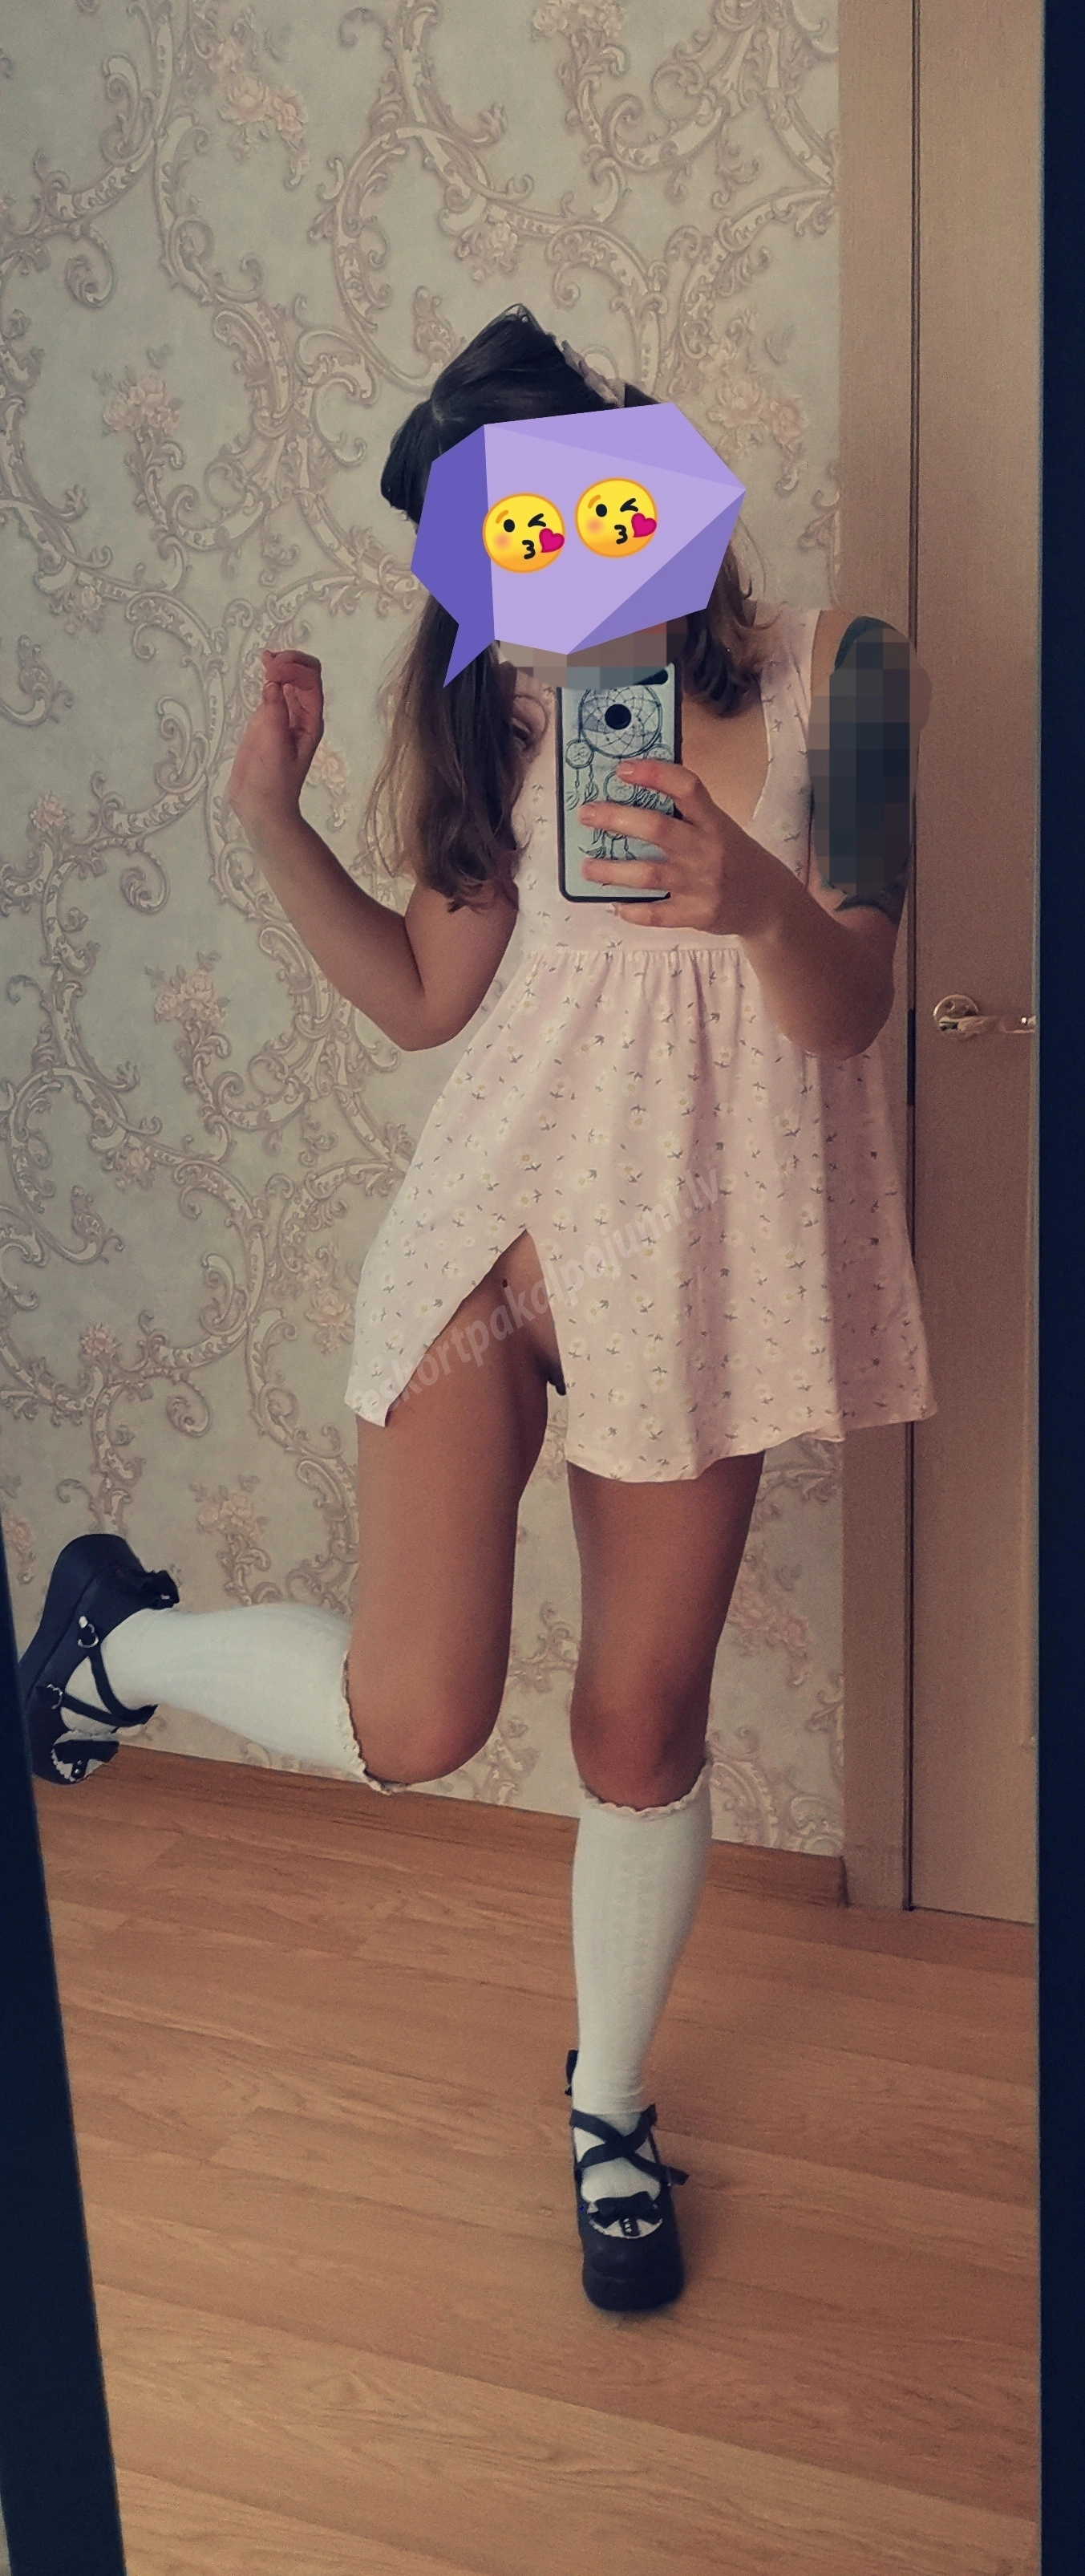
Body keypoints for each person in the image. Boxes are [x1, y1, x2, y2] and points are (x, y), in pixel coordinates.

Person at [19, 304, 935, 2316]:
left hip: (694, 1285)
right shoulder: (507, 715)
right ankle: (118, 1639)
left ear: (641, 470)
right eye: (511, 558)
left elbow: (852, 1008)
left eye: (575, 515)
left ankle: (606, 2109)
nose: (560, 578)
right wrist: (267, 819)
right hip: (489, 1264)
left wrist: (749, 899)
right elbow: (434, 1005)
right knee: (417, 1721)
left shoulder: (851, 674)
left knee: (638, 1726)